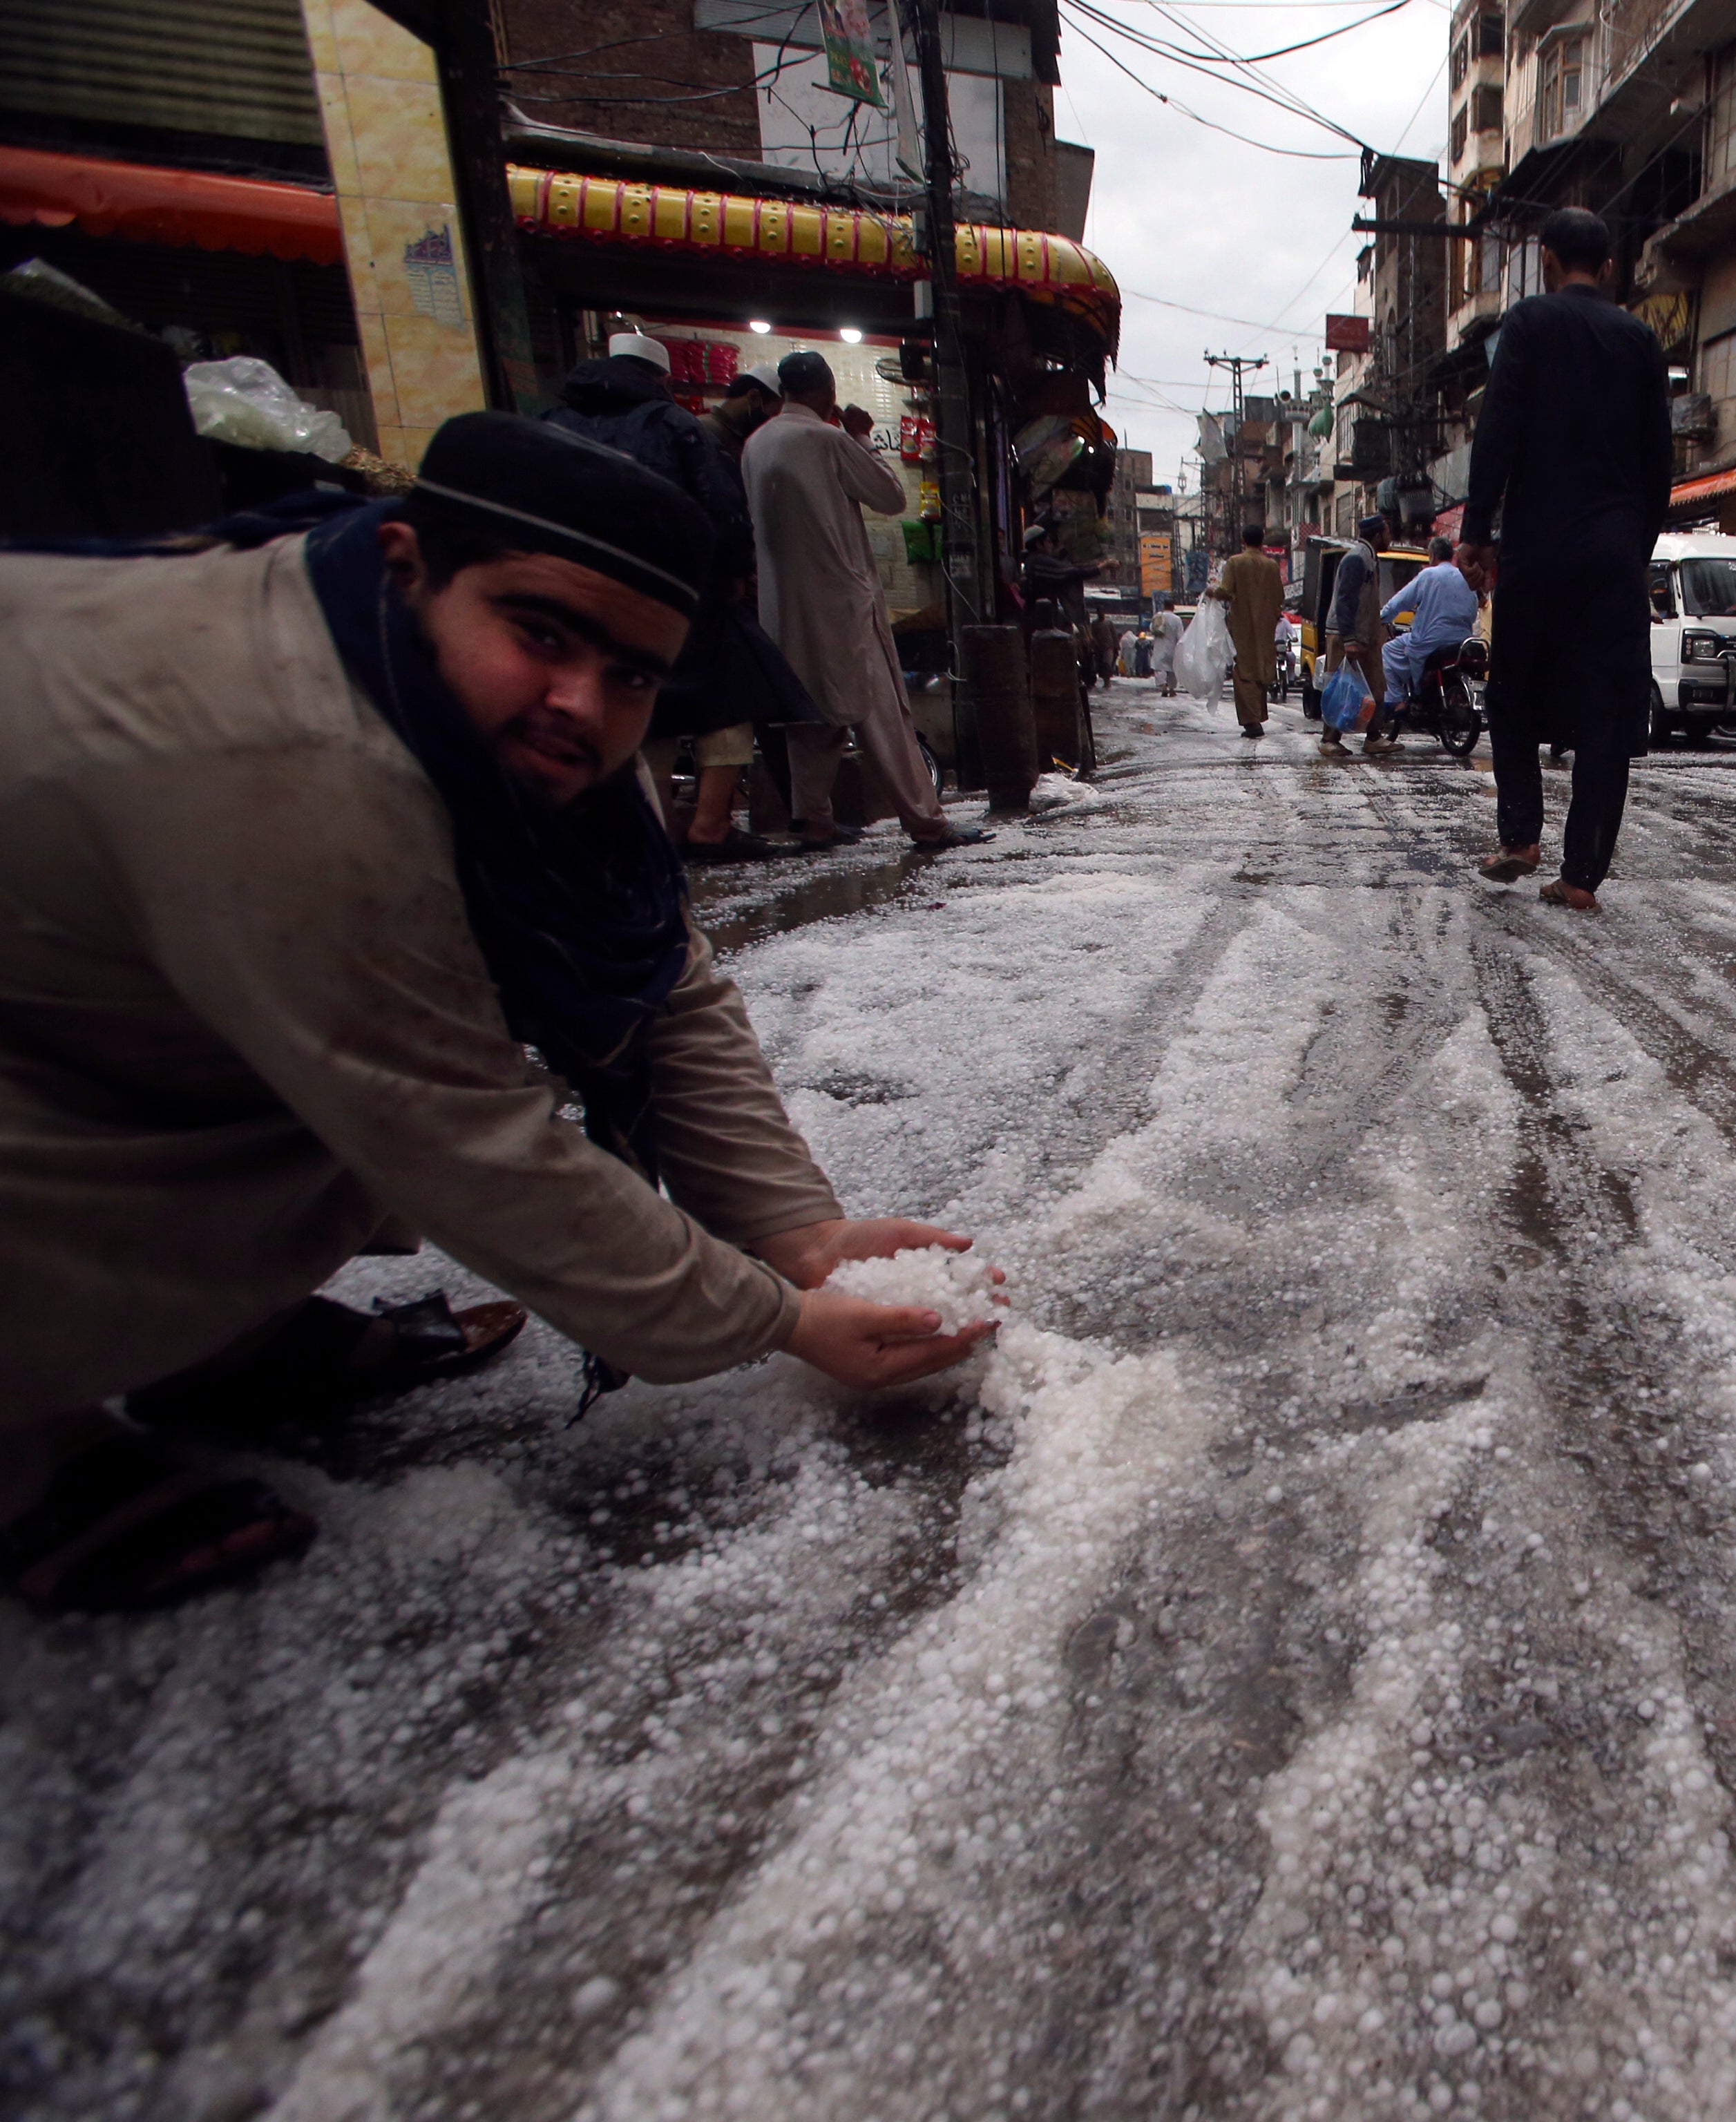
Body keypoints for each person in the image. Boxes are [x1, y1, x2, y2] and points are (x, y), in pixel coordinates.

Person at [0, 412, 1000, 1613]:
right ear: (411, 564)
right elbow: (461, 1132)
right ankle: (35, 1451)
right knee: (328, 1064)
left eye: (630, 671)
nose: (579, 700)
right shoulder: (288, 767)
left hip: (117, 956)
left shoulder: (482, 699)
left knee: (308, 1054)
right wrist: (778, 1319)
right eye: (538, 633)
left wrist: (793, 1230)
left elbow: (666, 985)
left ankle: (219, 1335)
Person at [1456, 207, 1672, 911]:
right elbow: (1659, 466)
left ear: (1546, 259)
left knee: (1512, 692)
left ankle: (1520, 836)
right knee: (1607, 714)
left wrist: (1478, 529)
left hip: (1539, 547)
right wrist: (1632, 551)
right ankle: (1582, 877)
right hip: (1611, 553)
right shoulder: (1640, 339)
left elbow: (1500, 429)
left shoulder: (1530, 323)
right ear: (1608, 267)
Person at [543, 331, 788, 868]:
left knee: (639, 703)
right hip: (679, 589)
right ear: (659, 378)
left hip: (583, 594)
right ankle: (709, 824)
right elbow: (720, 508)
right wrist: (735, 574)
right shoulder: (673, 424)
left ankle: (660, 828)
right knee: (726, 704)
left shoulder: (552, 425)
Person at [745, 352, 987, 852]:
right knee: (882, 711)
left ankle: (812, 818)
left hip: (782, 605)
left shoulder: (756, 443)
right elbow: (890, 496)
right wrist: (860, 436)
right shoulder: (826, 438)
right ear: (828, 390)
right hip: (842, 600)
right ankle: (926, 821)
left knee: (810, 717)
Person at [1380, 541, 1488, 718]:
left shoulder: (1428, 575)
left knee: (1388, 650)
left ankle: (1400, 701)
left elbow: (1399, 602)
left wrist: (1382, 617)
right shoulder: (1464, 577)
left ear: (1432, 556)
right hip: (1461, 641)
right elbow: (1472, 611)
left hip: (1430, 641)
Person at [1319, 515, 1387, 757]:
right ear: (1378, 535)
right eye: (1387, 532)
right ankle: (1329, 739)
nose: (1389, 537)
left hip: (1366, 635)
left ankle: (1374, 737)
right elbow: (1345, 600)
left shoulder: (1370, 557)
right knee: (1340, 687)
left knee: (1376, 686)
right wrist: (1349, 638)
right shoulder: (1357, 559)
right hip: (1346, 635)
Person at [1221, 524, 1283, 738]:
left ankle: (1252, 721)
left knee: (1244, 673)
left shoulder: (1235, 563)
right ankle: (1257, 716)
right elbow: (1279, 597)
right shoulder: (1272, 566)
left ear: (1243, 540)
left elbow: (1226, 591)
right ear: (1262, 541)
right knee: (1261, 671)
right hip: (1266, 627)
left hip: (1243, 625)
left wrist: (1212, 592)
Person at [703, 362, 781, 470]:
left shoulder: (735, 435)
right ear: (754, 397)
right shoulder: (706, 429)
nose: (770, 421)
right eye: (773, 415)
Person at [1152, 602, 1185, 696]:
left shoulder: (1158, 616)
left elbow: (1152, 629)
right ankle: (1172, 689)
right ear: (1173, 608)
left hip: (1160, 647)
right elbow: (1180, 636)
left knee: (1160, 668)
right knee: (1172, 669)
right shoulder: (1177, 620)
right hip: (1173, 648)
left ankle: (1163, 686)